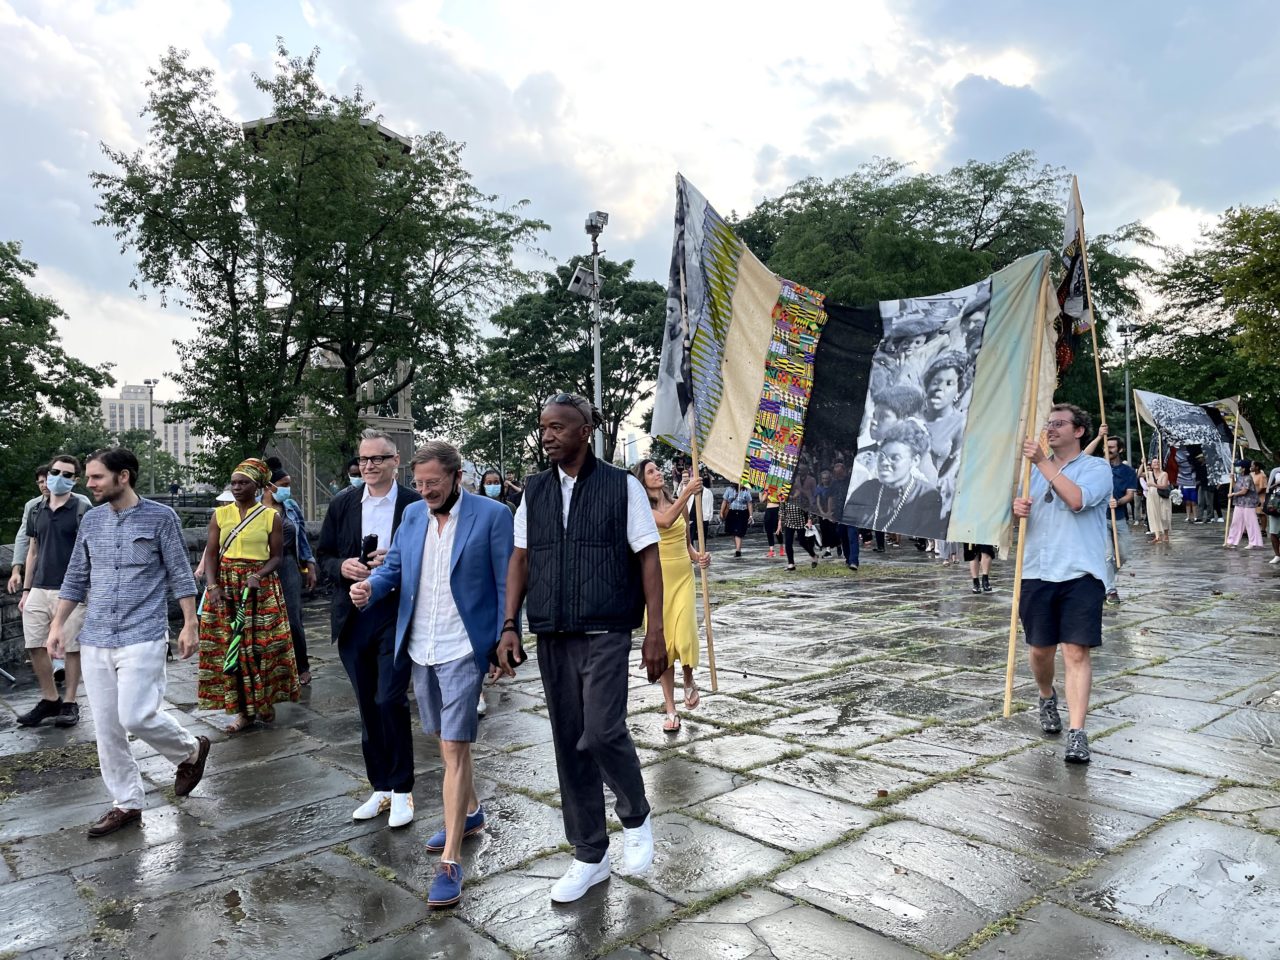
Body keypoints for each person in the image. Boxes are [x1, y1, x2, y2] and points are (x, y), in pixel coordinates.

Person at [493, 392, 665, 904]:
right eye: (543, 426)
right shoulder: (534, 491)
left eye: (559, 427)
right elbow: (520, 559)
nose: (547, 435)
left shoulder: (620, 486)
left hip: (607, 629)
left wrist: (654, 631)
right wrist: (509, 626)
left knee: (600, 730)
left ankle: (635, 815)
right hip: (553, 632)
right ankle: (589, 854)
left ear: (585, 430)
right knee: (570, 745)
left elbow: (649, 558)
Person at [352, 441, 513, 910]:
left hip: (465, 644)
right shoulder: (414, 517)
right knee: (444, 738)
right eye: (419, 485)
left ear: (457, 476)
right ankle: (470, 813)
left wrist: (507, 638)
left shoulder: (491, 515)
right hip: (420, 645)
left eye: (433, 484)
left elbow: (507, 582)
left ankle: (449, 861)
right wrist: (370, 587)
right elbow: (397, 570)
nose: (424, 492)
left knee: (453, 746)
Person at [47, 447, 210, 837]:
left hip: (143, 632)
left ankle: (189, 750)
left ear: (124, 476)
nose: (89, 484)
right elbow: (75, 577)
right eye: (88, 477)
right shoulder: (92, 521)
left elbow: (179, 573)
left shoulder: (161, 517)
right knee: (106, 727)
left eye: (97, 477)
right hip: (96, 637)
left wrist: (190, 623)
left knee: (135, 715)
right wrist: (57, 625)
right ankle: (127, 803)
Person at [318, 430, 419, 828]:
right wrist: (343, 566)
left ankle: (403, 788)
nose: (370, 466)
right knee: (366, 703)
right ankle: (380, 785)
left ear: (397, 461)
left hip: (396, 609)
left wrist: (394, 563)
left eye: (378, 459)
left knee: (389, 699)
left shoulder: (413, 504)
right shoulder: (344, 503)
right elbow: (323, 555)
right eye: (364, 460)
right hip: (353, 613)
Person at [1012, 404, 1112, 764]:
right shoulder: (1031, 473)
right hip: (1037, 571)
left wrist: (1041, 461)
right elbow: (1017, 518)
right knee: (1041, 651)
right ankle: (1045, 695)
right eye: (1048, 424)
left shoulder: (1096, 468)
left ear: (1079, 431)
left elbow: (1077, 500)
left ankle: (1078, 732)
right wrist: (1015, 509)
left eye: (1059, 424)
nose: (1050, 429)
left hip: (1081, 573)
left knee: (1076, 652)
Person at [197, 458, 299, 733]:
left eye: (244, 483)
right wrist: (212, 586)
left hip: (259, 588)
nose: (237, 487)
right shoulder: (220, 515)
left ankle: (265, 703)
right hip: (227, 587)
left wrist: (260, 574)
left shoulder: (270, 517)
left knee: (263, 648)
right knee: (232, 649)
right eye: (234, 482)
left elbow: (277, 557)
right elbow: (211, 553)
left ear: (258, 486)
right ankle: (242, 712)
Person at [634, 459, 711, 732]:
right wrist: (689, 492)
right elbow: (665, 522)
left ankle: (688, 678)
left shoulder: (679, 501)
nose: (657, 474)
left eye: (658, 469)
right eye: (651, 472)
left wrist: (698, 557)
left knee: (685, 634)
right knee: (664, 645)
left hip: (683, 577)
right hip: (658, 581)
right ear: (643, 481)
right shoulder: (642, 507)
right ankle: (670, 708)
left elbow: (685, 539)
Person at [16, 455, 92, 727]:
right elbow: (33, 550)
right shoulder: (37, 509)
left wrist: (86, 588)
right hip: (39, 586)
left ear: (75, 479)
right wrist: (26, 589)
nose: (58, 476)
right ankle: (50, 699)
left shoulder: (81, 507)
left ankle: (70, 702)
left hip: (70, 589)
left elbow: (89, 551)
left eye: (66, 474)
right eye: (54, 471)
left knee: (72, 647)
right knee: (34, 643)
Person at [846, 421, 946, 541]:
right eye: (882, 456)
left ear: (915, 460)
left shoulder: (927, 496)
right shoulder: (866, 488)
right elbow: (849, 519)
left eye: (895, 458)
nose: (884, 463)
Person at [264, 457, 317, 685]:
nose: (287, 489)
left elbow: (302, 537)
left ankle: (301, 665)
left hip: (287, 563)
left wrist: (309, 565)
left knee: (293, 616)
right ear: (269, 486)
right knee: (266, 619)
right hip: (263, 565)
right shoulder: (255, 507)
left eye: (288, 484)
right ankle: (273, 668)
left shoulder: (291, 507)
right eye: (283, 485)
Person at [1104, 434, 1139, 604]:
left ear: (1120, 449)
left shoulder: (1129, 472)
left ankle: (1103, 578)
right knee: (1108, 556)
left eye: (1111, 446)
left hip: (1119, 518)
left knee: (1123, 555)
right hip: (1100, 519)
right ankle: (1111, 591)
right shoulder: (1099, 467)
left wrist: (1117, 502)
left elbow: (1130, 495)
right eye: (1106, 446)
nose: (1107, 449)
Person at [7, 464, 52, 596]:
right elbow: (22, 538)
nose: (44, 485)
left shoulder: (80, 503)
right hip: (40, 571)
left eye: (47, 481)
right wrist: (16, 571)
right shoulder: (32, 506)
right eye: (40, 482)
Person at [1225, 460, 1263, 549]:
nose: (1237, 468)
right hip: (1239, 503)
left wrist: (1233, 495)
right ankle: (1232, 541)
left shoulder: (1248, 478)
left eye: (1239, 467)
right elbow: (1236, 488)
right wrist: (1233, 480)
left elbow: (1244, 491)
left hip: (1249, 503)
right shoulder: (1240, 477)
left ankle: (1254, 542)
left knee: (1251, 522)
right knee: (1236, 522)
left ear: (1243, 468)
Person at [778, 492, 818, 570]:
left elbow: (809, 509)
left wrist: (809, 520)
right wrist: (779, 523)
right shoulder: (784, 497)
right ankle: (791, 563)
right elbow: (781, 510)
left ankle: (813, 555)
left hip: (801, 522)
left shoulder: (802, 497)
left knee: (802, 542)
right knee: (788, 543)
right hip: (789, 522)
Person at [1143, 457, 1172, 544]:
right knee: (1154, 515)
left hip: (1162, 498)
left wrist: (1153, 485)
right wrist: (1142, 463)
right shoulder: (1149, 473)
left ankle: (1166, 535)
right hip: (1152, 498)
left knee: (1164, 516)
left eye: (1158, 462)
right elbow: (1139, 474)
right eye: (1154, 462)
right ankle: (1157, 536)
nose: (1156, 464)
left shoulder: (1164, 474)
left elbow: (1164, 486)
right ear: (1151, 465)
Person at [721, 481, 753, 558]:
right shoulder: (729, 489)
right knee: (734, 531)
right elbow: (725, 501)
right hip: (732, 512)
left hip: (742, 513)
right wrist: (721, 512)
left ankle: (738, 550)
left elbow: (749, 503)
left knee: (739, 532)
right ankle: (738, 548)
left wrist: (751, 515)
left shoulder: (746, 491)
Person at [1266, 463, 1280, 564]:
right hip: (1276, 503)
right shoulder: (1276, 471)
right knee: (1273, 531)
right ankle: (1277, 555)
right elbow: (1268, 488)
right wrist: (1277, 484)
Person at [762, 492, 782, 559]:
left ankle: (781, 547)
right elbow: (762, 500)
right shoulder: (766, 489)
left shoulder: (779, 488)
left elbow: (781, 501)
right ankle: (771, 550)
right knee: (768, 530)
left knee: (777, 530)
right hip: (768, 509)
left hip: (777, 509)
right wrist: (762, 492)